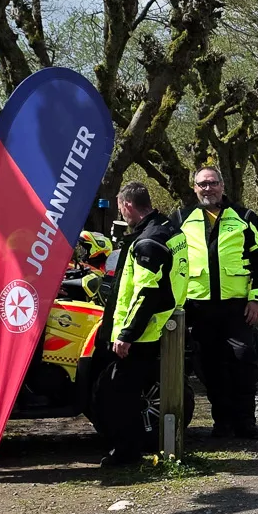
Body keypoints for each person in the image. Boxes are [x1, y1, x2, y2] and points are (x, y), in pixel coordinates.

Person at [95, 180, 184, 467]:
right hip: (158, 322)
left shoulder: (148, 241)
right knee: (125, 390)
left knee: (121, 394)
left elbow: (147, 292)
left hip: (143, 330)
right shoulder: (169, 229)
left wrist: (127, 334)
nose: (121, 214)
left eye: (121, 209)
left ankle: (126, 453)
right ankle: (128, 449)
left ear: (127, 205)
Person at [178, 165, 258, 437]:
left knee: (244, 360)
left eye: (213, 183)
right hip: (199, 307)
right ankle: (222, 423)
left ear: (222, 185)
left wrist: (257, 299)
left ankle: (246, 422)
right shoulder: (182, 218)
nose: (208, 188)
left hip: (236, 307)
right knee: (210, 366)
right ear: (195, 188)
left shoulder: (244, 217)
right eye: (202, 184)